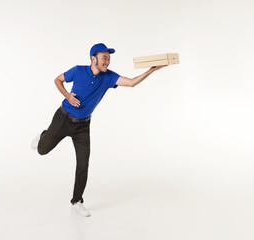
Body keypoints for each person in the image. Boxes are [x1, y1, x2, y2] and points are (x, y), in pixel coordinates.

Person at [31, 43, 167, 217]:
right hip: (63, 118)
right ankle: (44, 135)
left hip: (82, 126)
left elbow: (132, 83)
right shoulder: (78, 71)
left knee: (83, 164)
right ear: (93, 58)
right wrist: (67, 96)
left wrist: (151, 70)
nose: (107, 62)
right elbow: (57, 80)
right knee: (42, 150)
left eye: (109, 58)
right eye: (104, 58)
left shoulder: (108, 77)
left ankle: (76, 202)